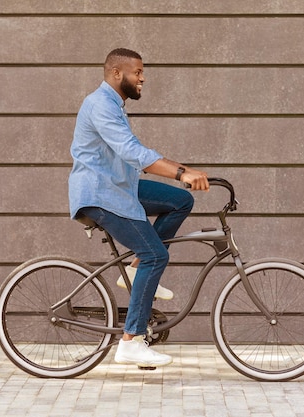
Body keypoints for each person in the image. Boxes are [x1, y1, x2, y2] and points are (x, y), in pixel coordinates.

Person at [68, 48, 209, 367]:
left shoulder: (113, 105)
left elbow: (136, 156)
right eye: (137, 72)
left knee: (180, 200)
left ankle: (135, 269)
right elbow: (131, 152)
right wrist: (180, 172)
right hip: (100, 194)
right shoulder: (100, 105)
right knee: (155, 254)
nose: (142, 77)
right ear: (117, 73)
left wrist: (183, 171)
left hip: (119, 186)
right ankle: (131, 341)